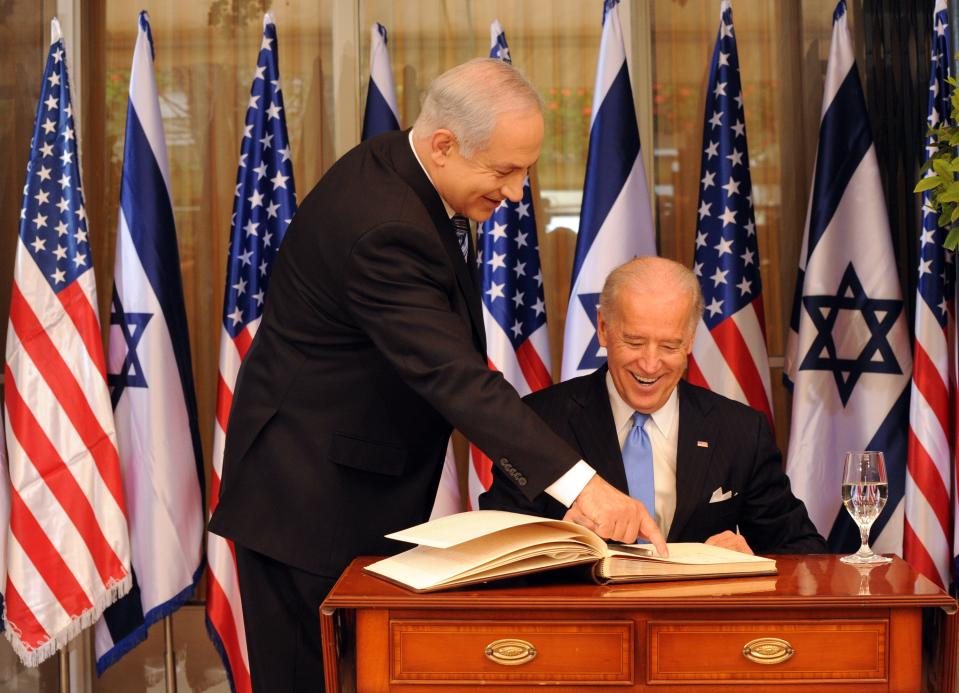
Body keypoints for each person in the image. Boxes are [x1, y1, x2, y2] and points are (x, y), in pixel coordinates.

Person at [208, 58, 665, 692]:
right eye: (504, 171)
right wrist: (584, 488)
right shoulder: (385, 225)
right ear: (444, 144)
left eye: (524, 170)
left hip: (342, 485)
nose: (514, 194)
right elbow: (455, 378)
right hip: (310, 508)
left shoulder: (407, 167)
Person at [481, 257, 827, 555]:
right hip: (583, 625)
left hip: (695, 624)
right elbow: (490, 546)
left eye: (669, 346)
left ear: (690, 339)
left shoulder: (740, 431)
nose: (650, 364)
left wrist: (749, 557)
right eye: (634, 341)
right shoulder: (539, 422)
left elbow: (804, 553)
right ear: (603, 328)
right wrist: (558, 543)